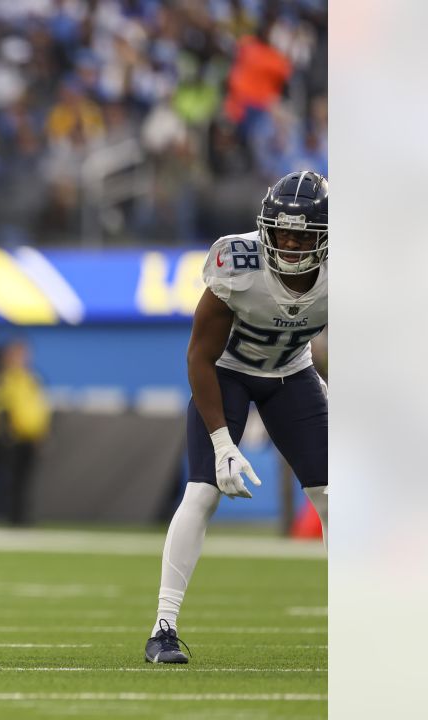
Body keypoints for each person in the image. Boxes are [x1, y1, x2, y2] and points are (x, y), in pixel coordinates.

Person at [145, 171, 328, 664]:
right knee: (202, 492)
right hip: (227, 373)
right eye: (281, 232)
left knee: (335, 496)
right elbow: (199, 357)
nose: (289, 244)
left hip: (293, 375)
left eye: (302, 235)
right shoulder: (238, 260)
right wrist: (224, 443)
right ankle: (163, 628)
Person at [0, 339, 51, 525]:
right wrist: (1, 431)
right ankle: (5, 515)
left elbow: (38, 409)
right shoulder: (2, 379)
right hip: (8, 438)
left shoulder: (31, 379)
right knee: (6, 479)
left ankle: (21, 516)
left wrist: (39, 434)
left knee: (24, 479)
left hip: (28, 437)